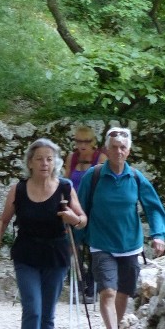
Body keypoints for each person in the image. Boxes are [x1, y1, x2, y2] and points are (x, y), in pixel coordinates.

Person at [0, 138, 87, 329]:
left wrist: (72, 218)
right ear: (30, 163)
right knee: (32, 308)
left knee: (47, 311)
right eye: (39, 158)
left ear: (55, 162)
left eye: (49, 158)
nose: (45, 163)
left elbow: (83, 219)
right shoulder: (19, 189)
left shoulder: (65, 187)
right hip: (27, 254)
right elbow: (3, 220)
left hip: (56, 254)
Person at [77, 127, 165, 329]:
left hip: (130, 245)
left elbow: (154, 207)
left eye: (123, 147)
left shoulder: (136, 178)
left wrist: (158, 235)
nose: (118, 151)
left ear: (129, 151)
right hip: (101, 243)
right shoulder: (94, 176)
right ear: (107, 149)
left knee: (123, 292)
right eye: (114, 147)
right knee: (107, 290)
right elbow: (81, 210)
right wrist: (76, 241)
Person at [66, 125, 107, 301]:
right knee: (71, 244)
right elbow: (66, 181)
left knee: (92, 247)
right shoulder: (72, 158)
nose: (82, 145)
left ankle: (91, 285)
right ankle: (78, 280)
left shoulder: (101, 157)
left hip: (93, 207)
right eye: (78, 141)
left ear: (93, 142)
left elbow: (101, 183)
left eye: (86, 141)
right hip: (74, 207)